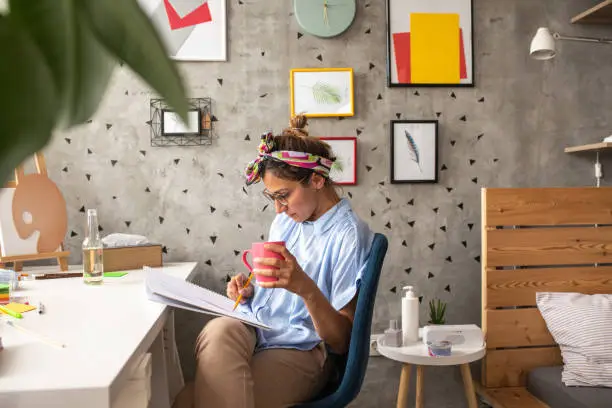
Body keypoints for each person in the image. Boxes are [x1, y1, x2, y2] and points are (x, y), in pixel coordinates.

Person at [173, 114, 374, 408]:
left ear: (317, 179)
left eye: (284, 196)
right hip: (256, 328)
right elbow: (271, 287)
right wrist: (249, 288)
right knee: (217, 331)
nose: (279, 209)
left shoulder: (349, 235)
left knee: (188, 400)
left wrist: (304, 287)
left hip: (302, 349)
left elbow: (342, 340)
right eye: (273, 198)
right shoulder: (286, 221)